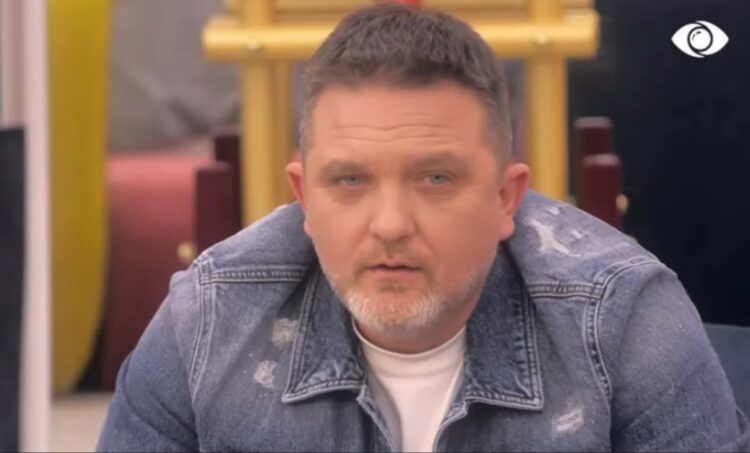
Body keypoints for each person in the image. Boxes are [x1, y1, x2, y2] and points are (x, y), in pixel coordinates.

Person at [97, 4, 748, 452]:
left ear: (506, 197)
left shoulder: (624, 320)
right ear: (303, 197)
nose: (390, 225)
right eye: (350, 181)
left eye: (435, 178)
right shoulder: (206, 322)